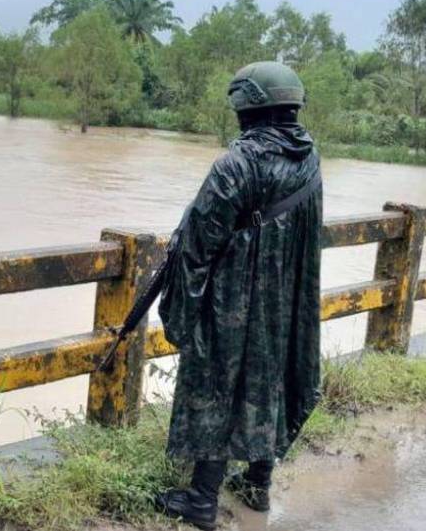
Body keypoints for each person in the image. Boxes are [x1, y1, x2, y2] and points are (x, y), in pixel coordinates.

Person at [153, 61, 323, 530]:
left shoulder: (237, 164)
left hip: (232, 300)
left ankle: (202, 500)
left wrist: (181, 315)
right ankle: (257, 486)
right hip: (284, 301)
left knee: (218, 382)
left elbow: (197, 244)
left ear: (246, 105)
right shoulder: (309, 158)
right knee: (266, 379)